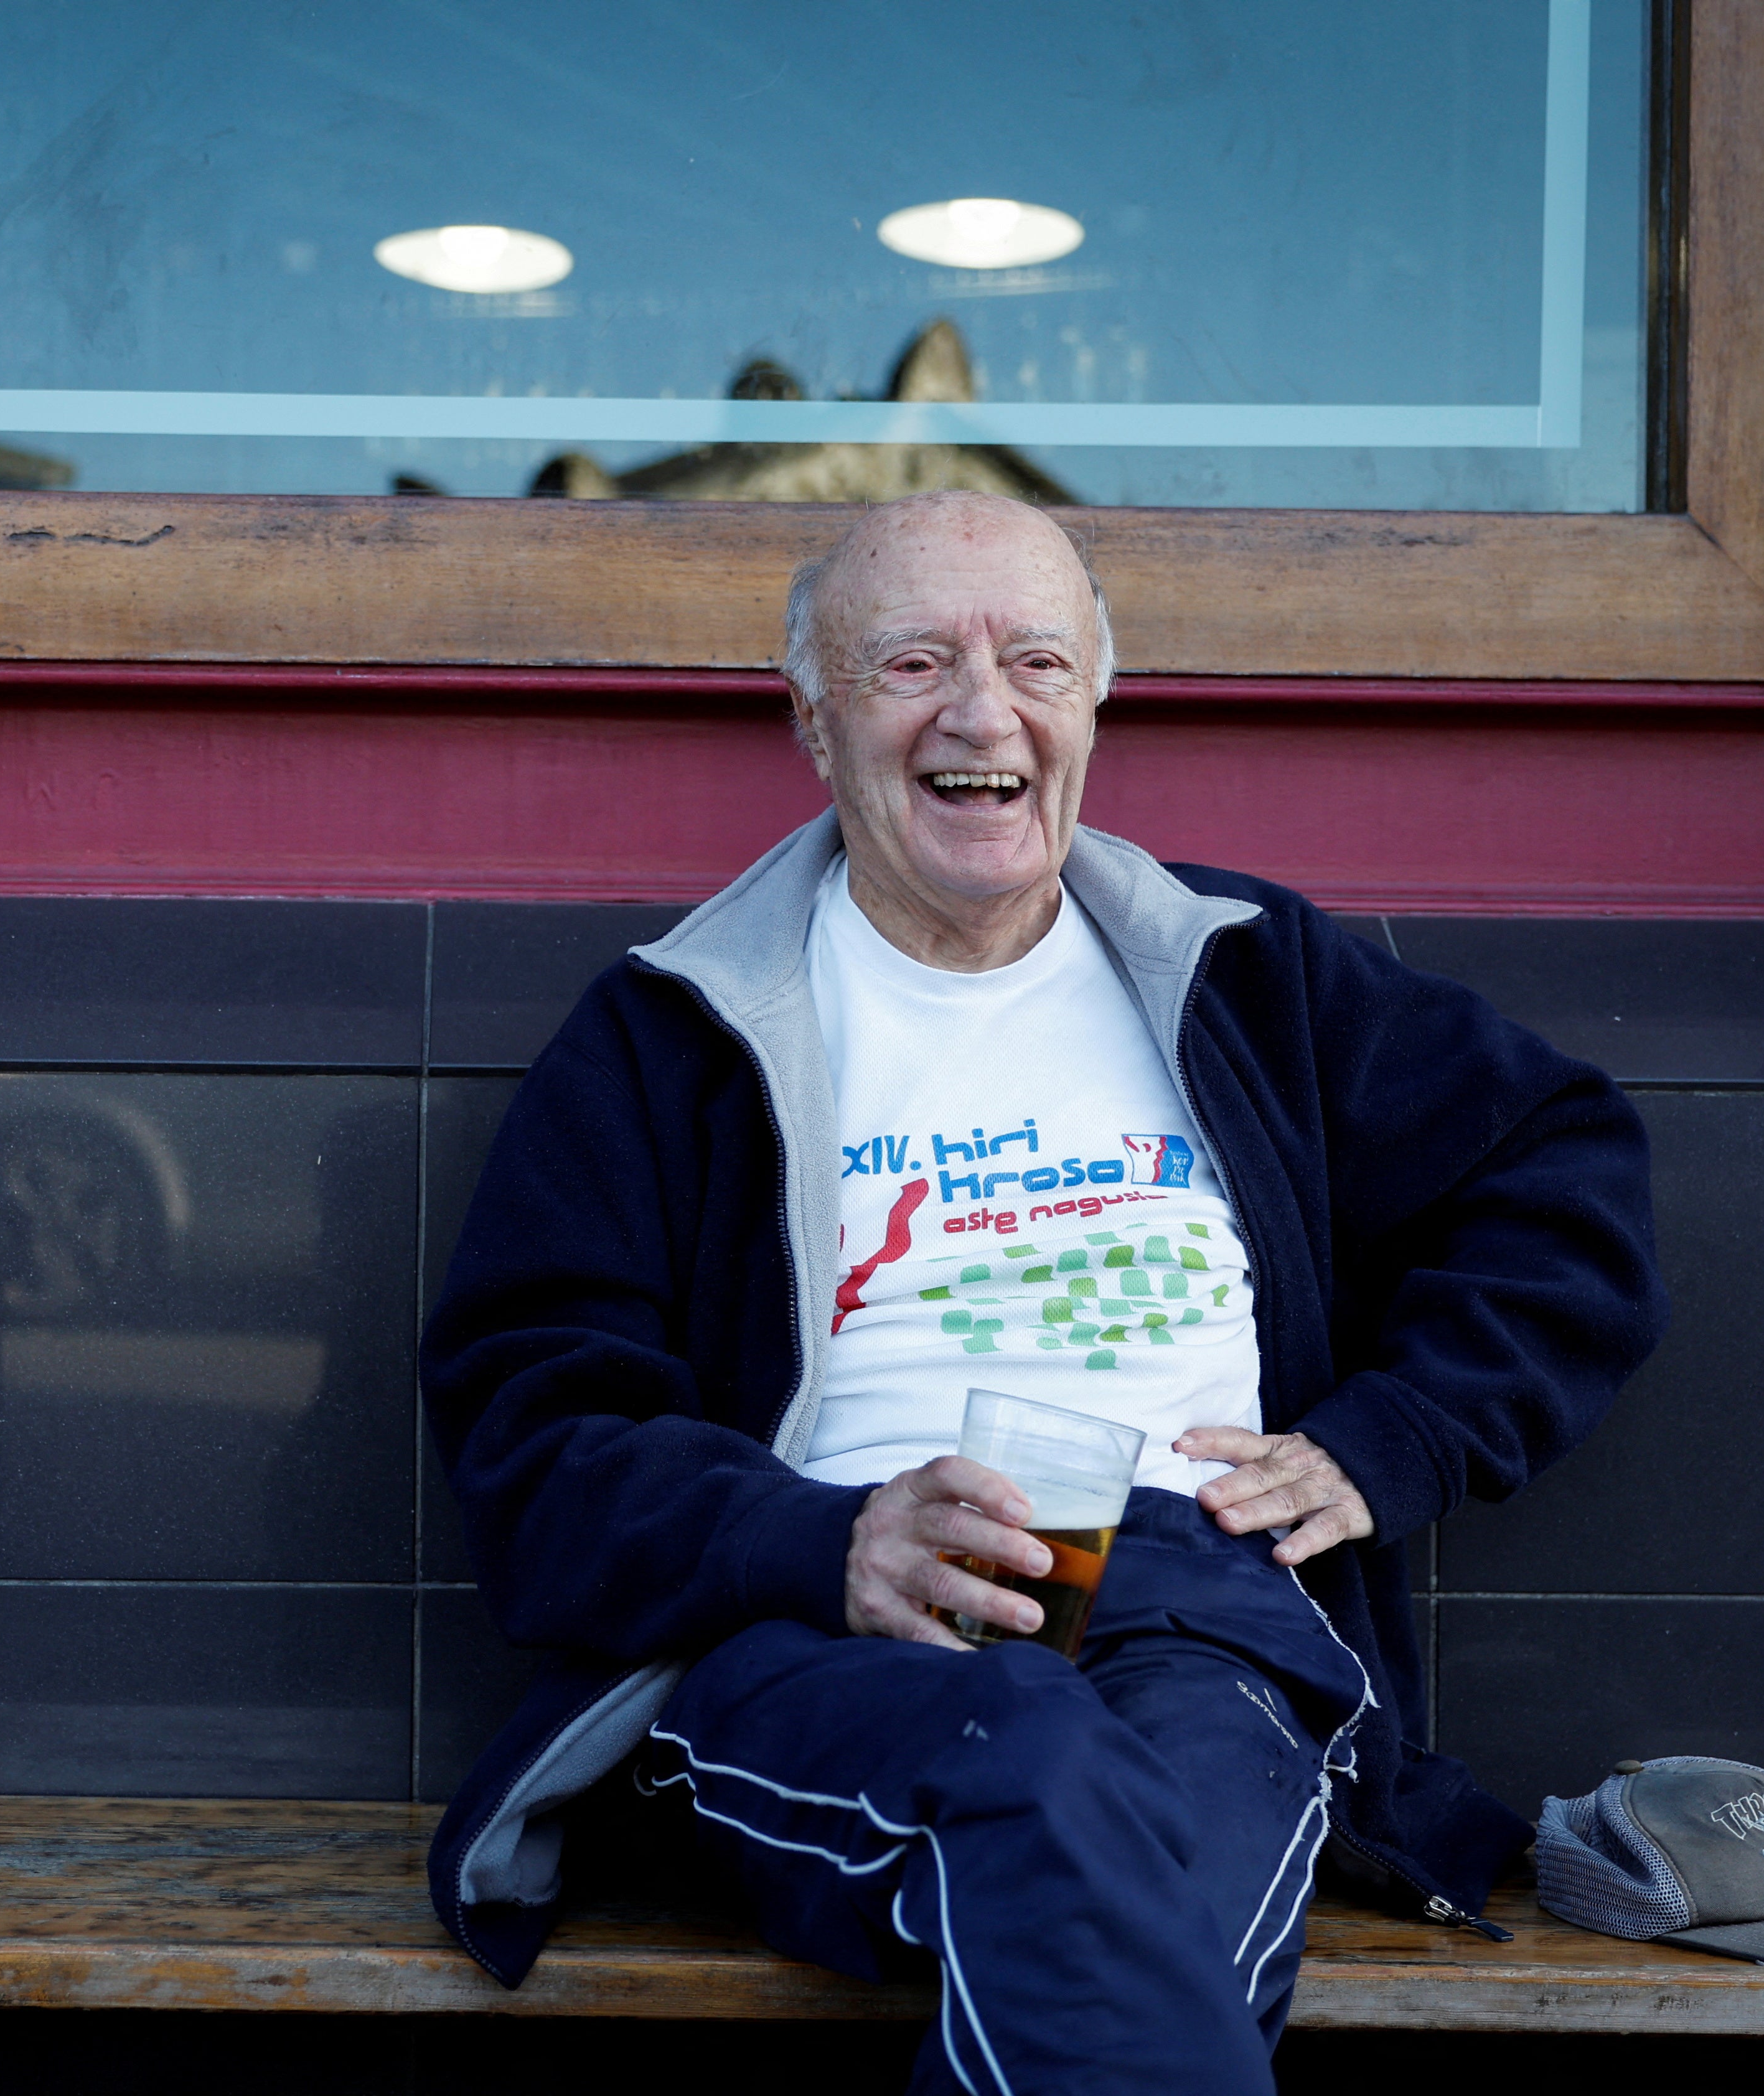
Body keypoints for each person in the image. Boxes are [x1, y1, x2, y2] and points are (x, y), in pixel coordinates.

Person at [420, 490, 1667, 2093]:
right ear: (813, 720)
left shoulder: (1248, 972)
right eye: (912, 663)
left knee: (1164, 1819)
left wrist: (1396, 1434)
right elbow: (535, 1428)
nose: (980, 712)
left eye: (1036, 663)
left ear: (1096, 702)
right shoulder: (673, 1034)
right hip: (830, 1636)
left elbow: (1563, 1167)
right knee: (1056, 1779)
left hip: (1197, 1616)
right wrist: (829, 1540)